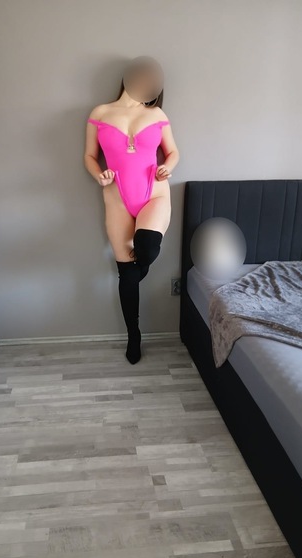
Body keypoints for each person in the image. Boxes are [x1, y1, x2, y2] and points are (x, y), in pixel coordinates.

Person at [84, 57, 180, 364]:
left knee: (147, 249)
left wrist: (168, 167)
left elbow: (173, 152)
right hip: (116, 197)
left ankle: (137, 271)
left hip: (155, 192)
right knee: (126, 272)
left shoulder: (157, 114)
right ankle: (134, 335)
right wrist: (98, 175)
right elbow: (89, 156)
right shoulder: (100, 113)